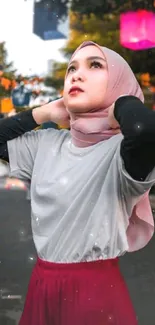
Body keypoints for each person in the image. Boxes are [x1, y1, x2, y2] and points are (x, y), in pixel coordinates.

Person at [0, 40, 155, 325]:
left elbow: (144, 130)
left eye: (95, 65)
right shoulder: (46, 143)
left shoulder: (121, 153)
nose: (76, 74)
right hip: (42, 284)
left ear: (118, 82)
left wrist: (122, 102)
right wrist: (42, 113)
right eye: (71, 68)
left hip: (95, 294)